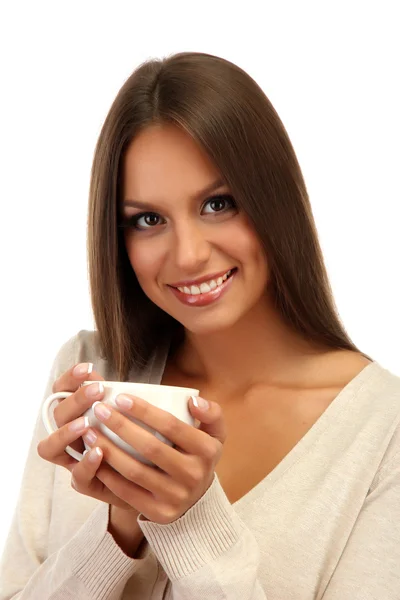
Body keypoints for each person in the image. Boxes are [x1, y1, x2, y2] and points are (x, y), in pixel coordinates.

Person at [1, 51, 399, 600]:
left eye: (218, 203)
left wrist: (192, 525)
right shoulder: (88, 373)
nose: (187, 255)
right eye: (148, 219)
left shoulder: (383, 431)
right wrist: (119, 527)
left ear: (274, 200)